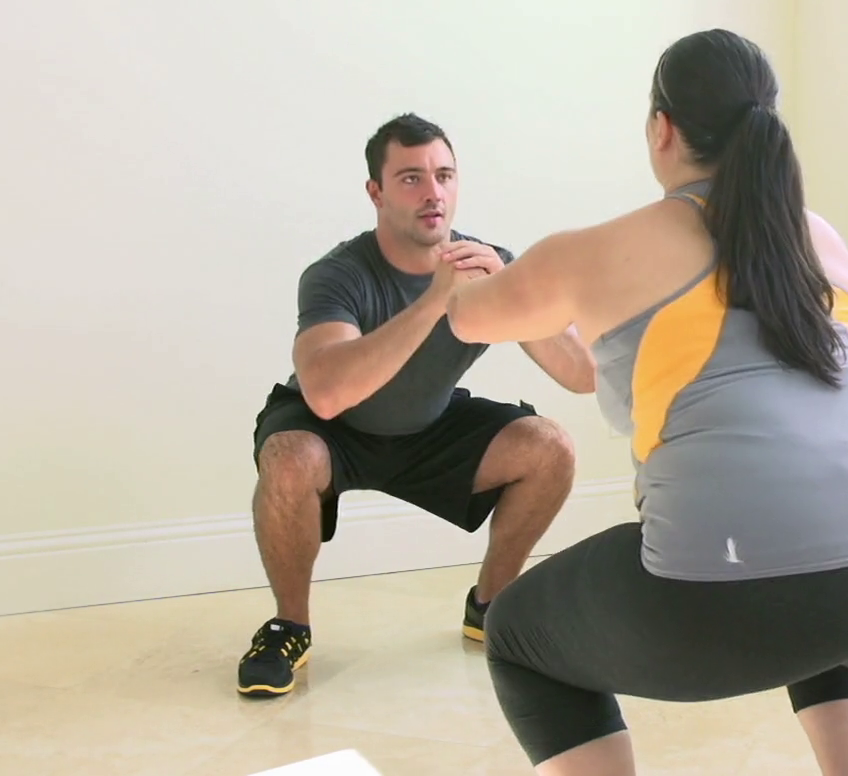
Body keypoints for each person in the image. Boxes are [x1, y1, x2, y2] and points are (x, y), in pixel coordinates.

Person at [445, 31, 848, 775]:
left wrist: (470, 274)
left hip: (737, 595)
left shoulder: (600, 249)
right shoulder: (819, 238)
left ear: (662, 129)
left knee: (518, 633)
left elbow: (470, 318)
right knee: (822, 571)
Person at [238, 114, 595, 699]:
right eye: (410, 178)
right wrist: (433, 302)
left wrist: (511, 292)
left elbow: (583, 375)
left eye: (444, 175)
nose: (433, 193)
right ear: (375, 192)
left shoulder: (489, 265)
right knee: (287, 455)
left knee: (549, 447)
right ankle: (289, 627)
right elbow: (325, 392)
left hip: (429, 424)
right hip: (334, 430)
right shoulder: (338, 275)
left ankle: (492, 607)